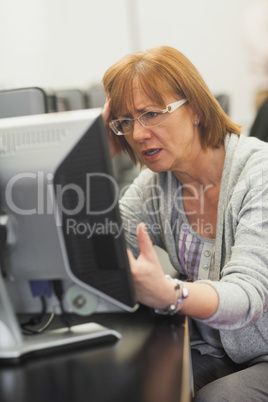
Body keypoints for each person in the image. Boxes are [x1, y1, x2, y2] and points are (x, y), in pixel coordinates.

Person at [102, 46, 268, 401]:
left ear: (194, 109)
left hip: (263, 354)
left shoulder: (259, 174)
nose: (138, 134)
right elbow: (98, 254)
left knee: (220, 397)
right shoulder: (156, 186)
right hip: (215, 348)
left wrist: (171, 295)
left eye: (150, 114)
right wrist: (94, 155)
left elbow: (247, 297)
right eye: (126, 122)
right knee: (129, 382)